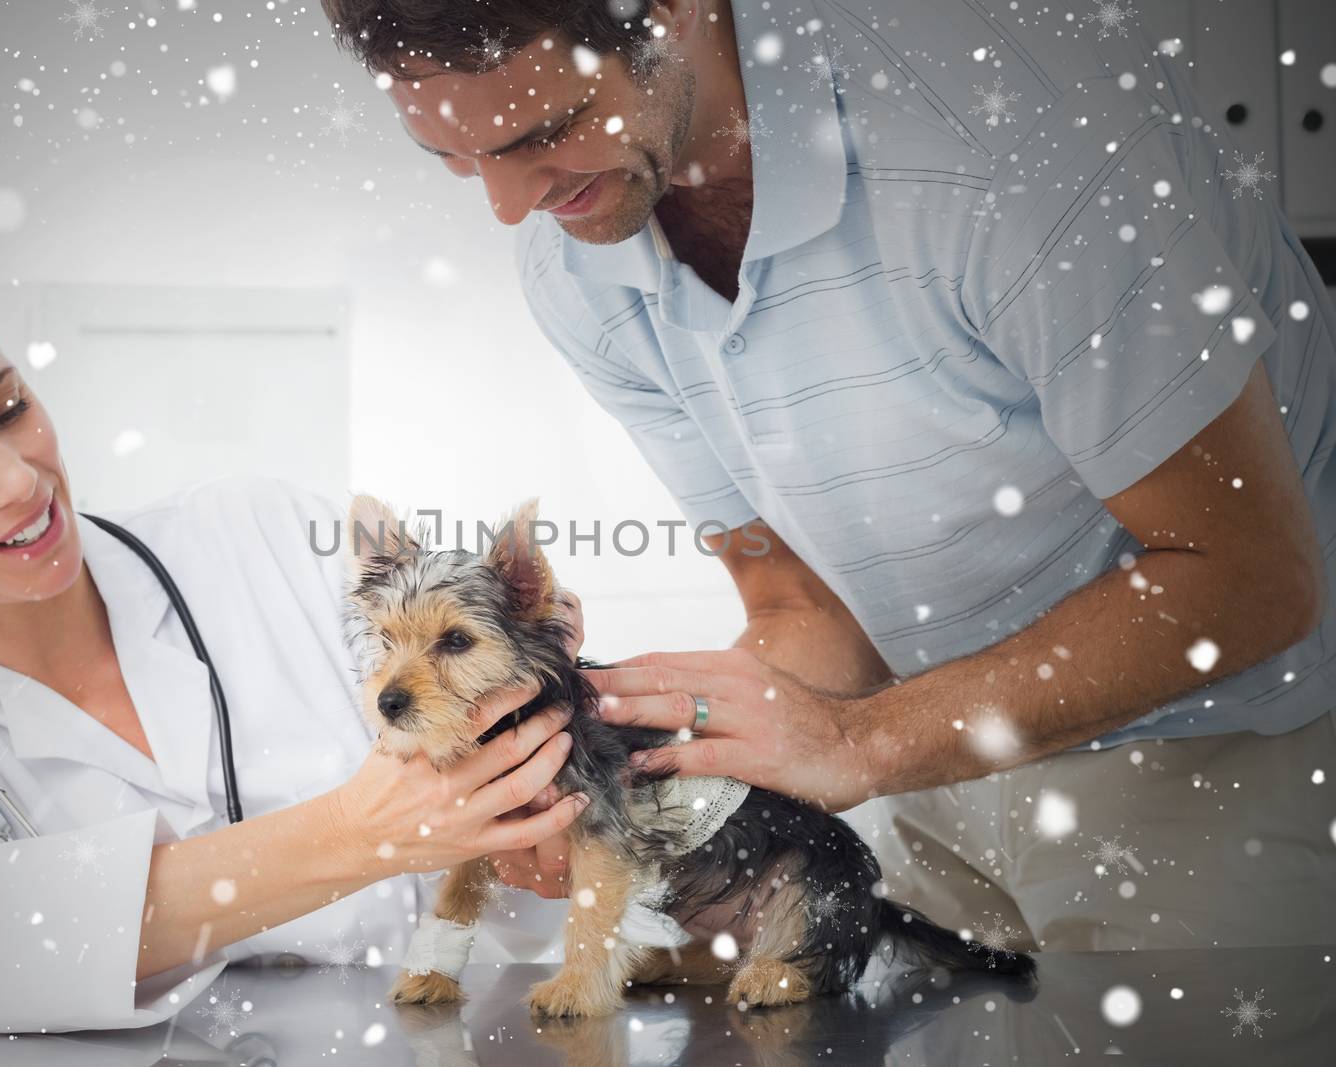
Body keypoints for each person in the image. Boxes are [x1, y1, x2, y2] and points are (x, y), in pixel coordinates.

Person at [323, 0, 1336, 948]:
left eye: (546, 128)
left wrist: (863, 743)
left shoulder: (1015, 144)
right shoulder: (579, 259)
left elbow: (1249, 576)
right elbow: (801, 604)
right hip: (934, 768)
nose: (509, 206)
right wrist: (636, 780)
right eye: (454, 159)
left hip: (1219, 756)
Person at [0, 253, 587, 1033]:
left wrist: (542, 779)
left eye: (10, 409)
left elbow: (517, 839)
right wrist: (356, 832)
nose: (17, 477)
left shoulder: (262, 535)